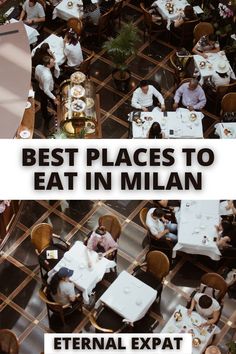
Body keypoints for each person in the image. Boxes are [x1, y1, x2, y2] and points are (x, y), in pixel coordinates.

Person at [35, 55, 60, 128]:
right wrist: (54, 98)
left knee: (43, 103)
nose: (54, 63)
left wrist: (41, 82)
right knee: (55, 103)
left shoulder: (38, 66)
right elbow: (46, 90)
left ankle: (45, 116)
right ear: (48, 65)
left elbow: (36, 77)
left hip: (40, 88)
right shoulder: (47, 76)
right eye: (52, 62)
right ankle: (59, 114)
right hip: (48, 91)